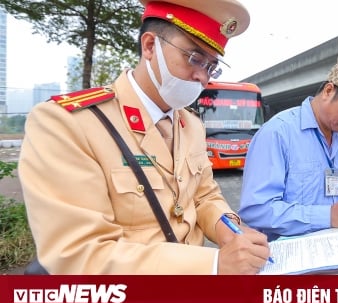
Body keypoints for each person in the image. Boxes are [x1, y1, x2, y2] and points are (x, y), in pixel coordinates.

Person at [18, 0, 271, 275]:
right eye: (195, 58)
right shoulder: (67, 123)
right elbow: (79, 254)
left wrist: (230, 229)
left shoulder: (191, 125)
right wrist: (213, 264)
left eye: (211, 67)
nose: (202, 78)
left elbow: (203, 195)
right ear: (150, 46)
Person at [239, 60, 338, 241]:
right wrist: (327, 216)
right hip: (288, 258)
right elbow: (256, 210)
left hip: (336, 249)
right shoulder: (278, 133)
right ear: (328, 91)